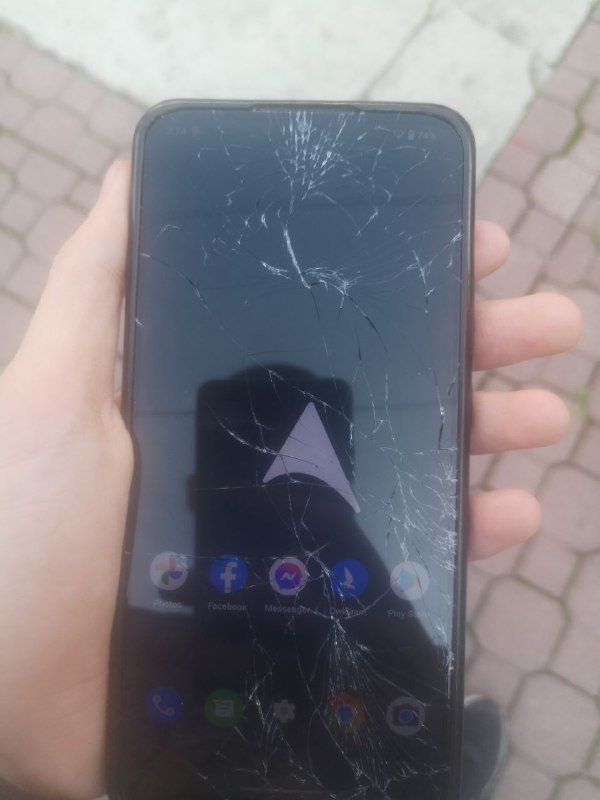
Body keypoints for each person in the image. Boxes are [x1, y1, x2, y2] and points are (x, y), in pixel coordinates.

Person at [0, 161, 583, 800]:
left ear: (195, 492)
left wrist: (25, 740)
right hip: (247, 743)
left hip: (175, 757)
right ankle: (432, 760)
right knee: (404, 728)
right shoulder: (327, 557)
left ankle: (418, 755)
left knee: (386, 719)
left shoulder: (198, 585)